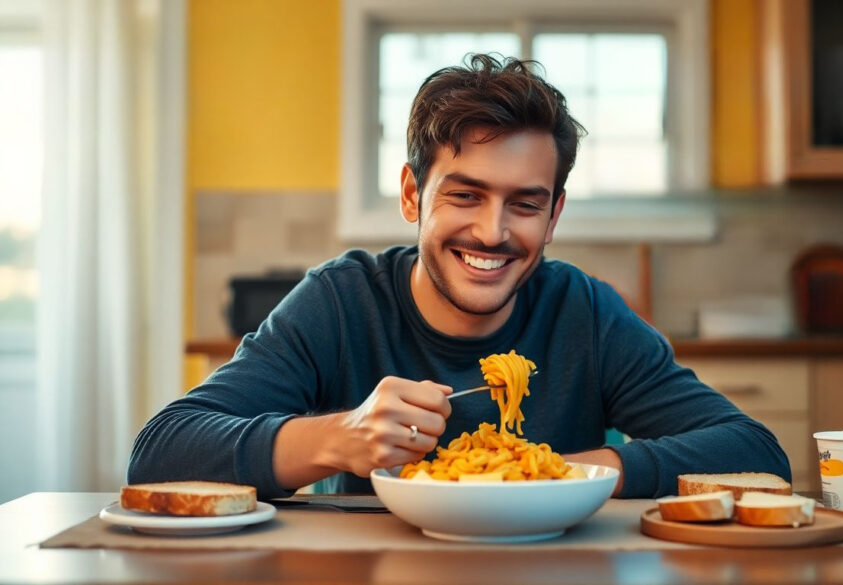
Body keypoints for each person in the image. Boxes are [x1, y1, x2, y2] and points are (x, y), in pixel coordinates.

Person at [128, 54, 790, 499]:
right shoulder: (340, 302)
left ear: (553, 215)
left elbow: (756, 454)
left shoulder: (582, 312)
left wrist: (561, 474)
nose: (494, 232)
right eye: (465, 195)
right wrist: (340, 436)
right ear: (413, 197)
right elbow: (159, 452)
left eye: (525, 203)